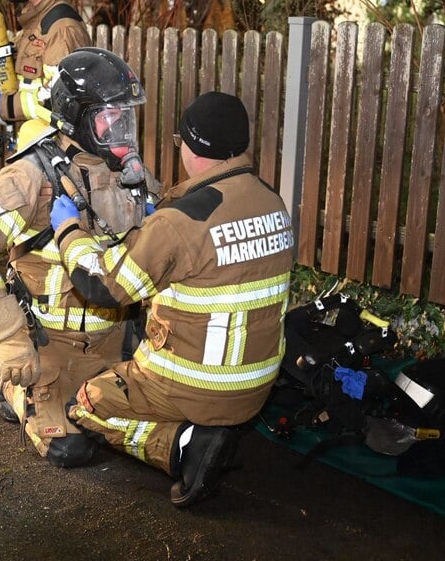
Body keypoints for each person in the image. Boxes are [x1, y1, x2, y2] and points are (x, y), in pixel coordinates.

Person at [49, 92, 295, 507]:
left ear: (191, 146)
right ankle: (202, 427)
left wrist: (69, 230)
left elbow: (101, 286)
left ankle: (185, 443)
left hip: (197, 384)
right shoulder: (271, 201)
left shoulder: (179, 222)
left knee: (85, 404)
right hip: (255, 384)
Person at [0, 47, 158, 467]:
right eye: (108, 117)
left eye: (126, 116)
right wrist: (10, 337)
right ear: (76, 119)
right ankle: (15, 387)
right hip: (53, 345)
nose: (121, 128)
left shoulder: (128, 172)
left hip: (117, 343)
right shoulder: (34, 175)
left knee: (151, 428)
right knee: (73, 449)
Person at [0, 0, 90, 125]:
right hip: (30, 139)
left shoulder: (61, 28)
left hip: (51, 142)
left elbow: (59, 100)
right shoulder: (34, 23)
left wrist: (3, 105)